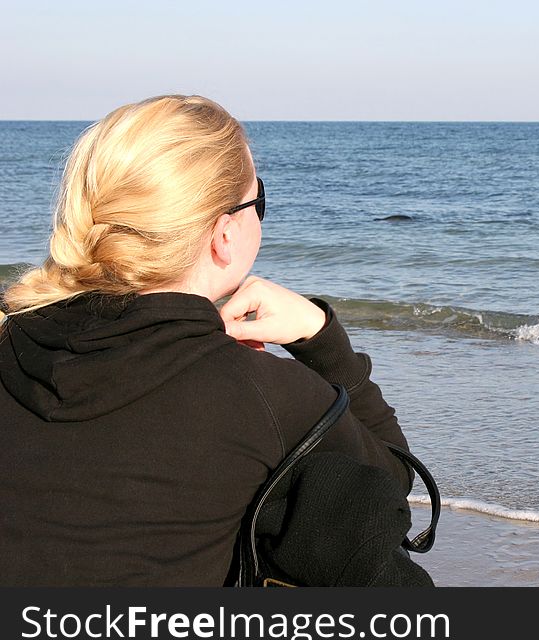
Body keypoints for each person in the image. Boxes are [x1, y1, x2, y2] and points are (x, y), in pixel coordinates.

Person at [0, 95, 433, 586]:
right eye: (259, 200)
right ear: (224, 234)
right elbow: (391, 494)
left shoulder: (9, 341)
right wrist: (320, 336)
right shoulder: (270, 396)